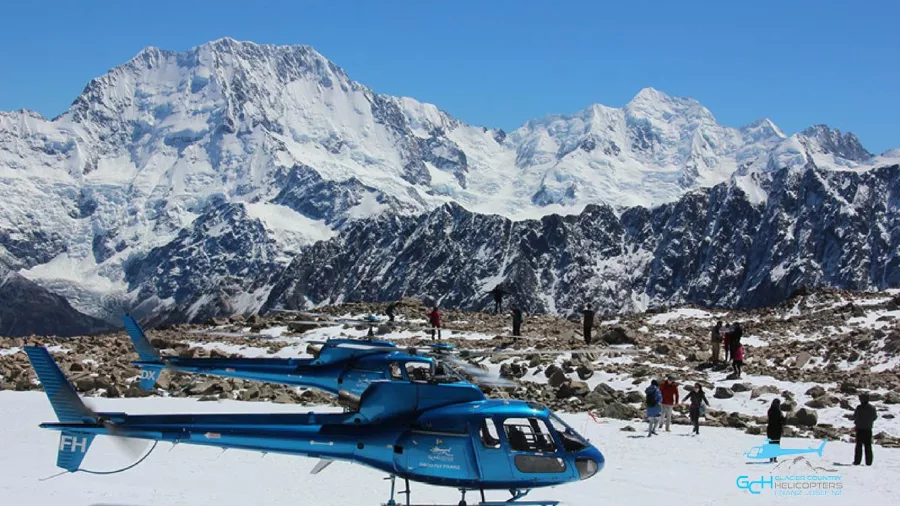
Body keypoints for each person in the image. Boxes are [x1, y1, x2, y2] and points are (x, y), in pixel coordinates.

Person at [852, 393, 878, 466]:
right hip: (868, 429)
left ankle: (857, 461)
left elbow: (855, 416)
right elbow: (875, 417)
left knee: (858, 446)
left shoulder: (859, 407)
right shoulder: (872, 408)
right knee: (868, 446)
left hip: (860, 429)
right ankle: (869, 462)